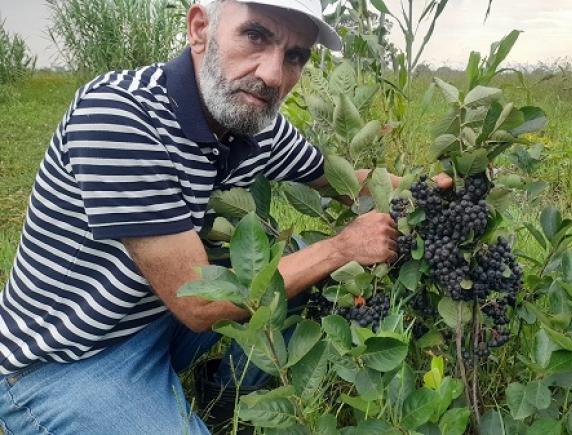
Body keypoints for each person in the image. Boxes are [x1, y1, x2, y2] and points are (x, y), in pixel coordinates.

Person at [0, 0, 451, 433]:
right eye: (255, 36)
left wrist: (432, 187)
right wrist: (340, 248)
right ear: (200, 29)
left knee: (302, 267)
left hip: (155, 318)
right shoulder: (119, 115)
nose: (273, 75)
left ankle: (228, 399)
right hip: (66, 359)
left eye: (294, 56)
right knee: (314, 261)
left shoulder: (253, 119)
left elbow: (337, 180)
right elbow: (200, 303)